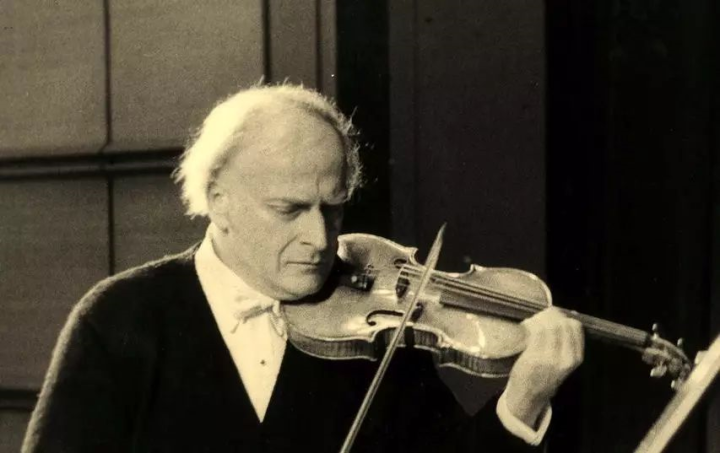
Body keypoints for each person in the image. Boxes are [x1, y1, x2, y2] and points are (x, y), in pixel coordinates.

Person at [22, 84, 583, 452]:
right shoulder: (118, 318)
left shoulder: (378, 328)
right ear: (218, 200)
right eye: (288, 210)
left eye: (332, 208)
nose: (320, 239)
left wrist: (522, 401)